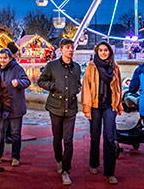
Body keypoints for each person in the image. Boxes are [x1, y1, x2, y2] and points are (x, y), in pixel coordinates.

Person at [37, 38, 82, 186]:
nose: (70, 50)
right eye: (67, 47)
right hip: (55, 107)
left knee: (68, 140)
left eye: (72, 47)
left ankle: (66, 171)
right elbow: (40, 81)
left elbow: (78, 83)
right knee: (57, 138)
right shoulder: (52, 66)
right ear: (61, 50)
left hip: (71, 108)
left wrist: (78, 88)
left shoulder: (77, 67)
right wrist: (53, 86)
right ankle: (59, 160)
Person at [82, 41, 123, 185]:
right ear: (97, 52)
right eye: (101, 50)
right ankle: (94, 163)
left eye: (106, 50)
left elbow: (118, 87)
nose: (103, 52)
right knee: (95, 135)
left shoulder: (115, 67)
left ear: (110, 52)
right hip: (95, 105)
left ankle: (110, 172)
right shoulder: (91, 67)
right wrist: (86, 108)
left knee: (110, 138)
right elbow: (86, 88)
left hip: (109, 106)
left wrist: (119, 104)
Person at [0, 48, 31, 167]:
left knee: (15, 133)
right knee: (0, 132)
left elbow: (27, 81)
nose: (2, 60)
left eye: (4, 58)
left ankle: (15, 156)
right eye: (0, 58)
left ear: (10, 58)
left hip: (15, 106)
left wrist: (18, 82)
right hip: (2, 106)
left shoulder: (17, 68)